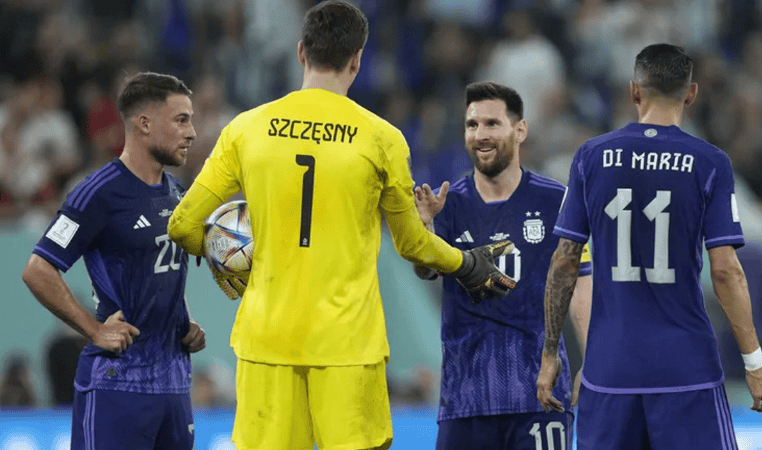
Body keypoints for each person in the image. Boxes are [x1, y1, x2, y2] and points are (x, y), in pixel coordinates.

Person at [166, 2, 514, 449]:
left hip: (266, 339)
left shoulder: (245, 129)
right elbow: (412, 245)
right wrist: (467, 263)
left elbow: (182, 224)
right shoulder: (381, 137)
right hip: (347, 344)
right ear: (357, 59)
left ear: (300, 53)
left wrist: (229, 266)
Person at [536, 44, 762, 449]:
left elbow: (564, 262)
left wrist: (550, 355)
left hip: (609, 369)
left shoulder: (589, 157)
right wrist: (754, 363)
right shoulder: (709, 162)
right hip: (686, 370)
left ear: (634, 91)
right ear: (691, 93)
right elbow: (725, 270)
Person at [21, 72, 206, 450]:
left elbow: (162, 268)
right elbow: (38, 269)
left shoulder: (177, 193)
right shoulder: (97, 193)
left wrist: (183, 320)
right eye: (181, 120)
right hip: (116, 382)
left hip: (173, 384)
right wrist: (94, 329)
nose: (192, 133)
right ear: (144, 124)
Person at [413, 81, 593, 450]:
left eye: (492, 123)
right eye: (472, 125)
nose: (480, 134)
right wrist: (425, 232)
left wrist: (592, 364)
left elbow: (581, 287)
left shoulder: (556, 200)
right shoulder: (448, 204)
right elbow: (426, 271)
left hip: (541, 394)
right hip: (466, 398)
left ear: (520, 130)